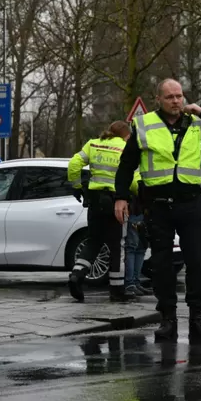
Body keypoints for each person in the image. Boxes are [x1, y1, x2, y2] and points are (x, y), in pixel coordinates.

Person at [113, 78, 201, 341]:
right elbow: (126, 164)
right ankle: (167, 317)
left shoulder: (198, 123)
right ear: (158, 99)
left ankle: (198, 317)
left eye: (179, 96)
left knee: (197, 262)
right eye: (170, 97)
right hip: (158, 205)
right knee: (162, 265)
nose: (176, 101)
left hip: (190, 203)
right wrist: (121, 197)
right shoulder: (144, 125)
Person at [67, 121, 141, 302]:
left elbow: (74, 164)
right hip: (117, 203)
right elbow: (132, 180)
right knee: (118, 246)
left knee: (94, 241)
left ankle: (77, 274)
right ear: (126, 135)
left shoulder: (93, 144)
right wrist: (139, 195)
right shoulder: (126, 148)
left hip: (95, 201)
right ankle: (117, 290)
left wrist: (77, 186)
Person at [123, 192, 152, 297]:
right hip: (134, 209)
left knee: (140, 249)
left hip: (139, 210)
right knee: (133, 248)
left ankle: (134, 282)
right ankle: (131, 283)